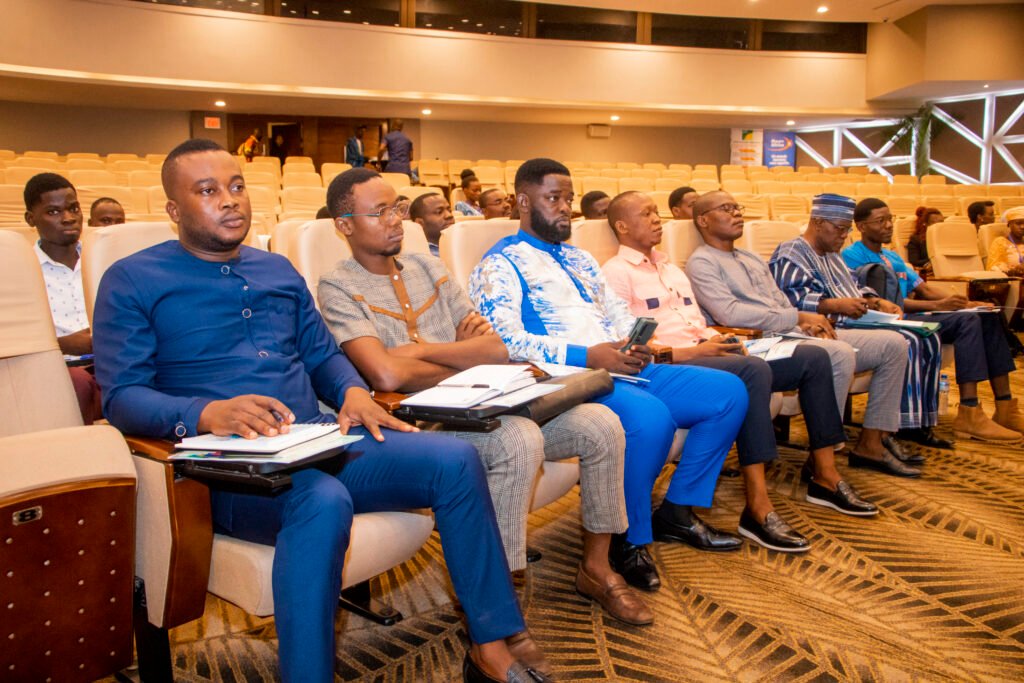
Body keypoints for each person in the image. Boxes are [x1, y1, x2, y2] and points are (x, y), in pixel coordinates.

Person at [92, 140, 550, 683]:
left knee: (454, 461)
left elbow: (322, 356)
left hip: (315, 438)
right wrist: (208, 412)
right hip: (228, 467)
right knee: (322, 498)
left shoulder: (277, 270)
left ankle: (490, 647)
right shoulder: (132, 279)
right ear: (174, 209)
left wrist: (352, 391)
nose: (230, 200)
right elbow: (121, 397)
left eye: (236, 186)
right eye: (208, 191)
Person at [318, 168, 651, 627]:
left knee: (601, 424)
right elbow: (385, 373)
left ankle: (597, 567)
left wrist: (419, 351)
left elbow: (495, 348)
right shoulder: (336, 285)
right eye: (380, 212)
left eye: (397, 208)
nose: (396, 220)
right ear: (344, 225)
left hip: (483, 405)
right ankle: (500, 595)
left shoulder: (428, 267)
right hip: (417, 424)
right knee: (517, 439)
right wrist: (459, 355)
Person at [470, 158, 749, 593]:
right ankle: (628, 536)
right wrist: (589, 355)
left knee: (729, 392)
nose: (565, 207)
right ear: (523, 202)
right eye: (553, 198)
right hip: (568, 379)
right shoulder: (500, 263)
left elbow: (618, 314)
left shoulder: (581, 258)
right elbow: (504, 341)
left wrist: (635, 342)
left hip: (619, 366)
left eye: (569, 198)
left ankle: (676, 511)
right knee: (651, 418)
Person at [602, 191, 877, 551]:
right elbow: (628, 345)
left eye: (657, 212)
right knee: (751, 372)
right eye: (646, 214)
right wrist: (697, 350)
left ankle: (825, 474)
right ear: (622, 226)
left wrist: (720, 339)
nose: (657, 219)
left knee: (813, 359)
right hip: (674, 363)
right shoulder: (615, 273)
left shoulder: (671, 269)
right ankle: (757, 506)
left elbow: (698, 323)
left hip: (711, 348)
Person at [685, 191, 918, 478]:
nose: (737, 213)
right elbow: (730, 314)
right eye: (726, 208)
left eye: (737, 207)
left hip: (787, 332)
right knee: (837, 353)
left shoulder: (751, 258)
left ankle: (871, 442)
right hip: (754, 341)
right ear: (703, 220)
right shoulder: (703, 262)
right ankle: (824, 455)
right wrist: (797, 318)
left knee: (894, 344)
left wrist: (801, 323)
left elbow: (781, 300)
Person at [771, 193, 949, 455]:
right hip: (817, 330)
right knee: (902, 341)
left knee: (915, 338)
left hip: (852, 324)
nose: (844, 236)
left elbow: (855, 286)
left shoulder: (832, 254)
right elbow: (789, 302)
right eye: (839, 229)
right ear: (818, 223)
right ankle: (831, 444)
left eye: (847, 230)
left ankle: (877, 437)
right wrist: (836, 305)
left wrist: (876, 301)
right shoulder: (791, 253)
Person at [845, 198, 1023, 441]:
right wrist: (938, 306)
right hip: (893, 320)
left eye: (890, 219)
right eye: (880, 221)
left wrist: (966, 303)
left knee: (986, 315)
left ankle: (1005, 407)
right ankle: (970, 411)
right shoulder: (852, 256)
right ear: (862, 226)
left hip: (916, 314)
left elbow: (925, 289)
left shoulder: (892, 257)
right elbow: (887, 303)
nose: (888, 225)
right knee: (968, 322)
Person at [24, 172, 102, 424]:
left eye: (73, 208)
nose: (68, 218)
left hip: (109, 360)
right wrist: (62, 345)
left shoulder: (101, 258)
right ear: (30, 219)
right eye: (53, 212)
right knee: (78, 384)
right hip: (57, 368)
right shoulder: (21, 268)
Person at [409, 192, 454, 257]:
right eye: (439, 212)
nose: (449, 215)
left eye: (449, 210)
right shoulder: (418, 256)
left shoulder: (463, 242)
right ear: (419, 223)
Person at [986, 206, 1024, 275]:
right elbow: (993, 268)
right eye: (1018, 223)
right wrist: (1013, 271)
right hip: (1011, 279)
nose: (1022, 227)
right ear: (1009, 224)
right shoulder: (1000, 242)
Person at [906, 206, 943, 274]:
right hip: (929, 273)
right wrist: (933, 261)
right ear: (925, 224)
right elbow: (914, 261)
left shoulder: (947, 238)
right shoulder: (916, 240)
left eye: (942, 223)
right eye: (936, 224)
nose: (940, 226)